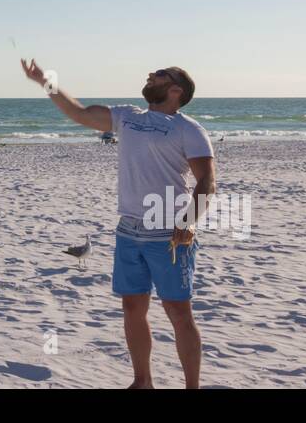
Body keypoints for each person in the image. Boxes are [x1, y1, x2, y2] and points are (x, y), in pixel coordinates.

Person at [22, 59, 215, 390]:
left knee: (178, 313)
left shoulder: (189, 129)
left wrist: (189, 221)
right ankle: (142, 382)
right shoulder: (128, 116)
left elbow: (206, 182)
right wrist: (45, 82)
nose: (150, 75)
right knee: (131, 308)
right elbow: (79, 113)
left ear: (175, 90)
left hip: (166, 232)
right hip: (128, 230)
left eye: (159, 74)